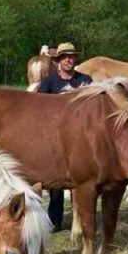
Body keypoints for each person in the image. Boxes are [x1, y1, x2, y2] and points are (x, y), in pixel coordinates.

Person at [38, 42, 92, 232]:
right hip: (56, 139)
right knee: (56, 183)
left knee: (83, 182)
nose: (69, 59)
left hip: (82, 138)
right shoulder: (49, 83)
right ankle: (55, 220)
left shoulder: (85, 80)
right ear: (58, 61)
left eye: (71, 56)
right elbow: (38, 110)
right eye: (64, 57)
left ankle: (83, 219)